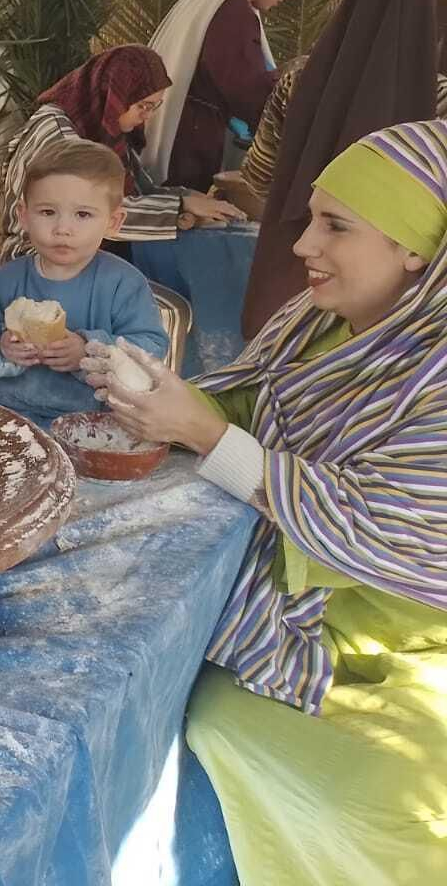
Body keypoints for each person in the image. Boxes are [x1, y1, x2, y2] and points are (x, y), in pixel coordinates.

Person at [85, 120, 447, 886]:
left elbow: (386, 528)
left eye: (336, 226)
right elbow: (250, 406)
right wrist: (161, 403)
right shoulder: (312, 325)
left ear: (415, 251)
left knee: (207, 712)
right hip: (295, 580)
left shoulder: (435, 379)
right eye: (312, 217)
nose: (302, 246)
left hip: (384, 634)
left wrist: (208, 434)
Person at [238, 0, 441, 337]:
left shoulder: (296, 81)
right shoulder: (439, 101)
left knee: (282, 361)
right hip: (397, 291)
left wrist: (313, 209)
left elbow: (259, 175)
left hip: (294, 263)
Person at [0, 141, 167, 429]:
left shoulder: (124, 283)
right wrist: (1, 346)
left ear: (114, 221)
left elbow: (151, 349)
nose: (63, 228)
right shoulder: (6, 279)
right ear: (24, 215)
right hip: (12, 417)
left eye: (83, 214)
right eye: (47, 212)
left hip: (95, 425)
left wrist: (90, 351)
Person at [0, 45, 243, 262]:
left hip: (77, 250)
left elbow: (143, 190)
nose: (147, 116)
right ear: (115, 94)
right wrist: (180, 206)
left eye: (155, 107)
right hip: (38, 257)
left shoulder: (102, 129)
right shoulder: (59, 135)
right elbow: (92, 212)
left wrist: (195, 198)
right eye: (143, 106)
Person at [144, 0, 314, 192]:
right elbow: (247, 91)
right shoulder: (233, 14)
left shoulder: (223, 4)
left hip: (192, 130)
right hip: (194, 141)